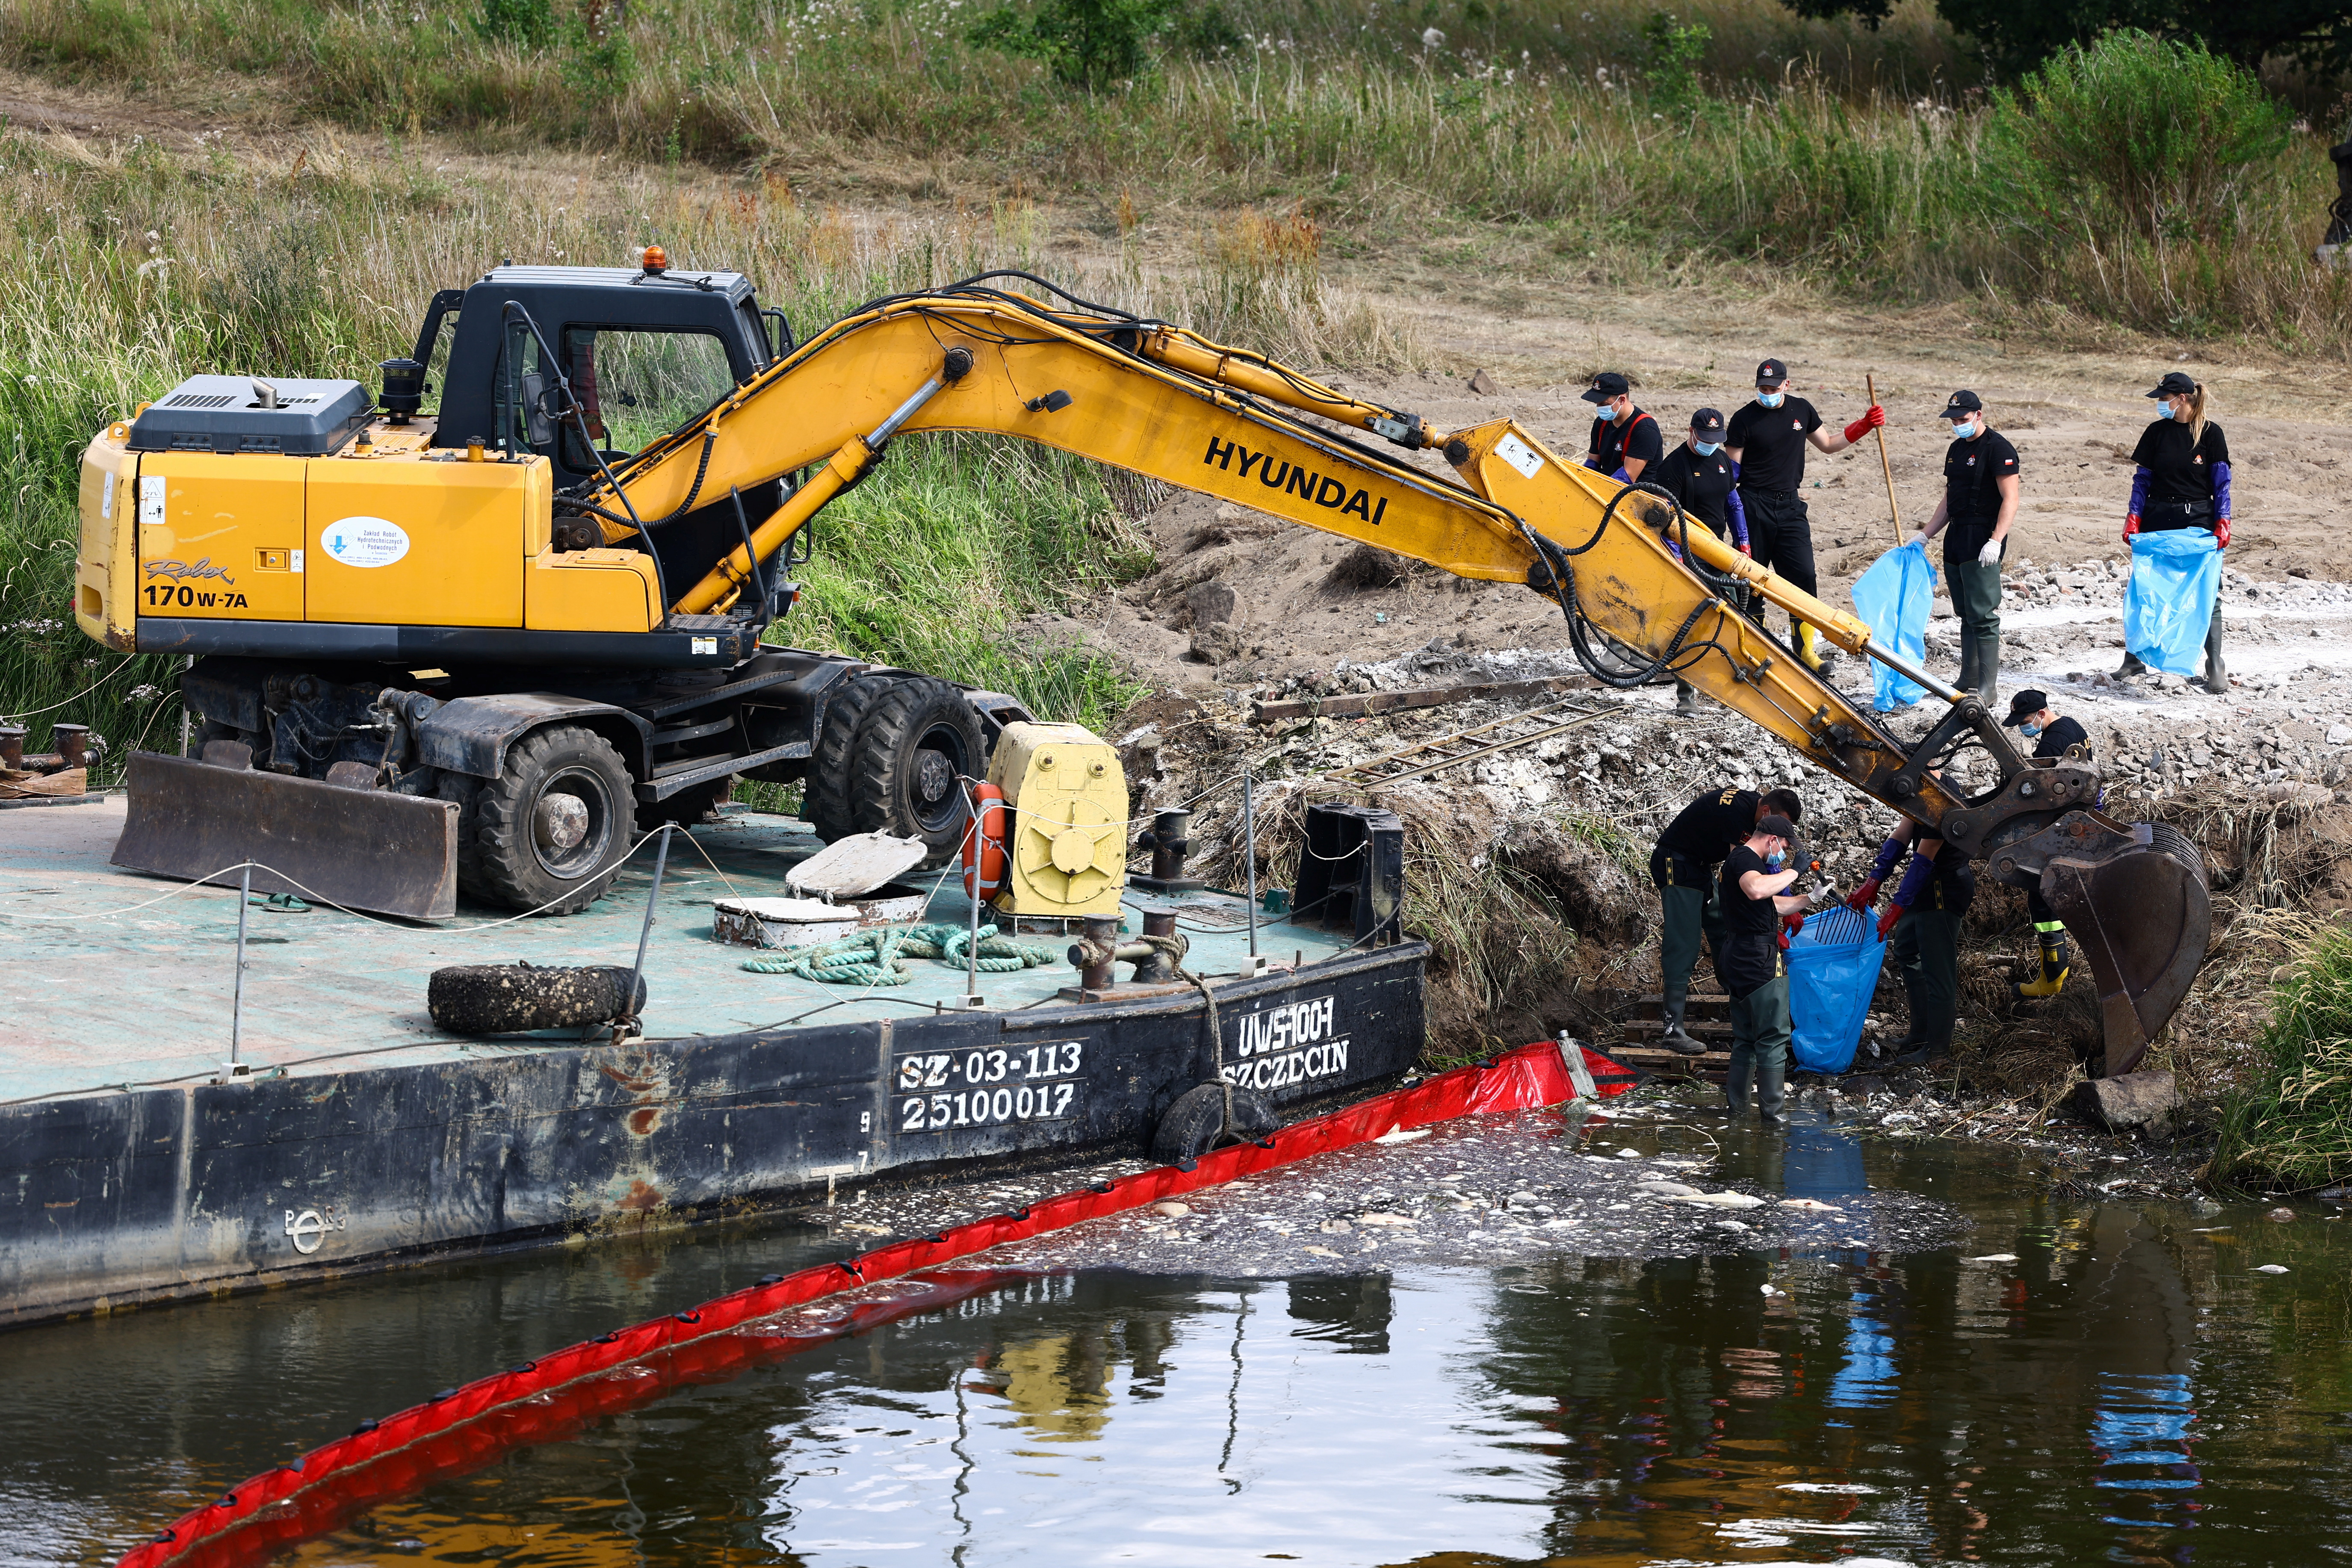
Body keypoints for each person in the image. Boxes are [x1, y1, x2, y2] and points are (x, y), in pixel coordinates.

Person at [1725, 357, 1884, 675]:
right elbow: (1732, 471)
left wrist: (1864, 425)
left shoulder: (1802, 410)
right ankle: (1752, 651)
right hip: (1753, 503)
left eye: (1773, 387)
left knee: (1804, 576)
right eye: (1762, 388)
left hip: (1791, 506)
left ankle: (1805, 651)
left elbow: (1828, 444)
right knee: (1752, 579)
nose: (1767, 393)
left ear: (1787, 384)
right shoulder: (1744, 419)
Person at [1650, 784, 1804, 1055]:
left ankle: (1745, 1002)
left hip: (1699, 867)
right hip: (1675, 863)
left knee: (1725, 928)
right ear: (1766, 811)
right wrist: (1773, 911)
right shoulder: (1736, 813)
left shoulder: (1758, 816)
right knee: (1684, 943)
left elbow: (1767, 865)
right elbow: (1745, 869)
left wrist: (1788, 901)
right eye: (1779, 829)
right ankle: (1672, 1030)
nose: (1779, 838)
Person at [2120, 371, 2232, 694]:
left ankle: (2214, 664)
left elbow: (2221, 483)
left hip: (2197, 519)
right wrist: (2133, 516)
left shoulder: (2211, 434)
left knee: (2207, 593)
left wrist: (2224, 519)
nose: (2159, 403)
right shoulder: (2156, 433)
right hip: (2157, 517)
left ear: (2182, 398)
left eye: (2163, 398)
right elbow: (2142, 479)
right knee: (2145, 589)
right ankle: (2133, 659)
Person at [1717, 812, 1829, 1117]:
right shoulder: (1746, 861)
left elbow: (1770, 903)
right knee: (1772, 1037)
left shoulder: (1740, 863)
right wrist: (1795, 871)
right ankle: (1775, 1118)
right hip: (1757, 958)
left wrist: (1811, 897)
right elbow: (1757, 889)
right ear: (1772, 840)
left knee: (1746, 1039)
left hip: (1738, 954)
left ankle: (1737, 1112)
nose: (1782, 853)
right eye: (1784, 846)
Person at [1850, 804, 1974, 1067]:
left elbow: (1922, 859)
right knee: (1906, 950)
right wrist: (1874, 879)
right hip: (1925, 884)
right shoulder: (1921, 794)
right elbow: (1900, 837)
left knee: (1939, 971)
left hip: (1944, 888)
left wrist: (1897, 907)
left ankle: (1938, 1051)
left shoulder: (1942, 804)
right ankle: (1920, 1033)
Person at [1914, 390, 2018, 702]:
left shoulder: (1999, 448)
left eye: (1963, 419)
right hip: (1956, 535)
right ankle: (1968, 678)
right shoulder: (1956, 449)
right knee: (1965, 611)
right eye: (1954, 420)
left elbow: (2011, 498)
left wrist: (1996, 540)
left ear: (1978, 415)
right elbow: (1950, 497)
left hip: (1982, 535)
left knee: (1983, 614)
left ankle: (1988, 688)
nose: (1958, 424)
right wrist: (1926, 534)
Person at [1647, 408, 1751, 713]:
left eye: (1716, 440)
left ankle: (1732, 679)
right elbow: (1665, 518)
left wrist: (1742, 540)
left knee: (1733, 613)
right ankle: (1687, 696)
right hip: (1688, 553)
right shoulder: (1674, 467)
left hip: (1716, 550)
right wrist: (1679, 559)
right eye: (1705, 438)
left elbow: (1733, 501)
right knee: (1687, 623)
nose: (1711, 444)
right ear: (1691, 432)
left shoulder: (1720, 459)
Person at [2000, 688, 2090, 1000]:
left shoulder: (2052, 742)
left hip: (2064, 827)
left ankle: (2053, 975)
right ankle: (2054, 970)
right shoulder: (2072, 726)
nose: (2024, 727)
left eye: (2025, 720)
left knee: (2042, 895)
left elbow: (2038, 793)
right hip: (2081, 819)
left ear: (2041, 713)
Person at [1580, 372, 1663, 484]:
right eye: (1597, 404)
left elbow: (1626, 478)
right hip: (1608, 487)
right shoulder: (1601, 423)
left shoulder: (1645, 429)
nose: (1599, 408)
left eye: (1604, 404)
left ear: (1622, 400)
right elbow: (1592, 463)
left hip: (1638, 495)